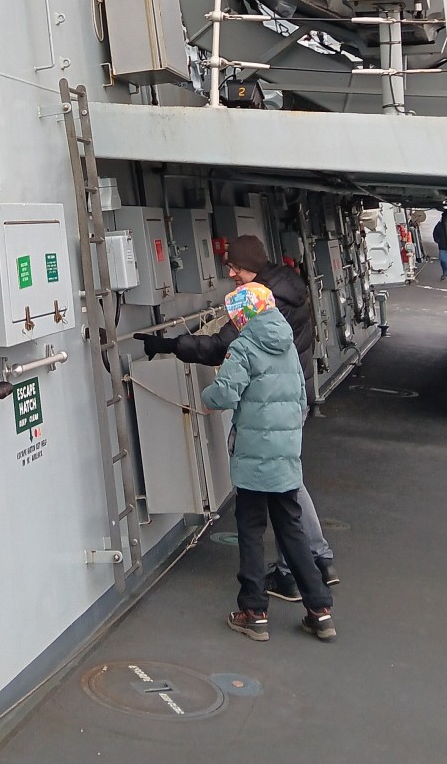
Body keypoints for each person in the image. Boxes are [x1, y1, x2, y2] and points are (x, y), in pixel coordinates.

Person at [137, 233, 338, 598]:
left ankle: (286, 579)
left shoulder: (258, 307)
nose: (230, 274)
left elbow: (222, 348)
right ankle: (316, 571)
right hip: (291, 400)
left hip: (265, 409)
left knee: (271, 502)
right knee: (289, 481)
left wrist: (170, 345)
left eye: (235, 268)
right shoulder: (285, 292)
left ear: (251, 268)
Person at [200, 283, 336, 640]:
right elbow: (301, 398)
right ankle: (320, 610)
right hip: (285, 455)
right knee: (292, 530)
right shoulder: (287, 345)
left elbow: (224, 393)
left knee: (251, 531)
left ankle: (254, 611)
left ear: (242, 315)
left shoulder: (244, 346)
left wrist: (206, 398)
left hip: (253, 459)